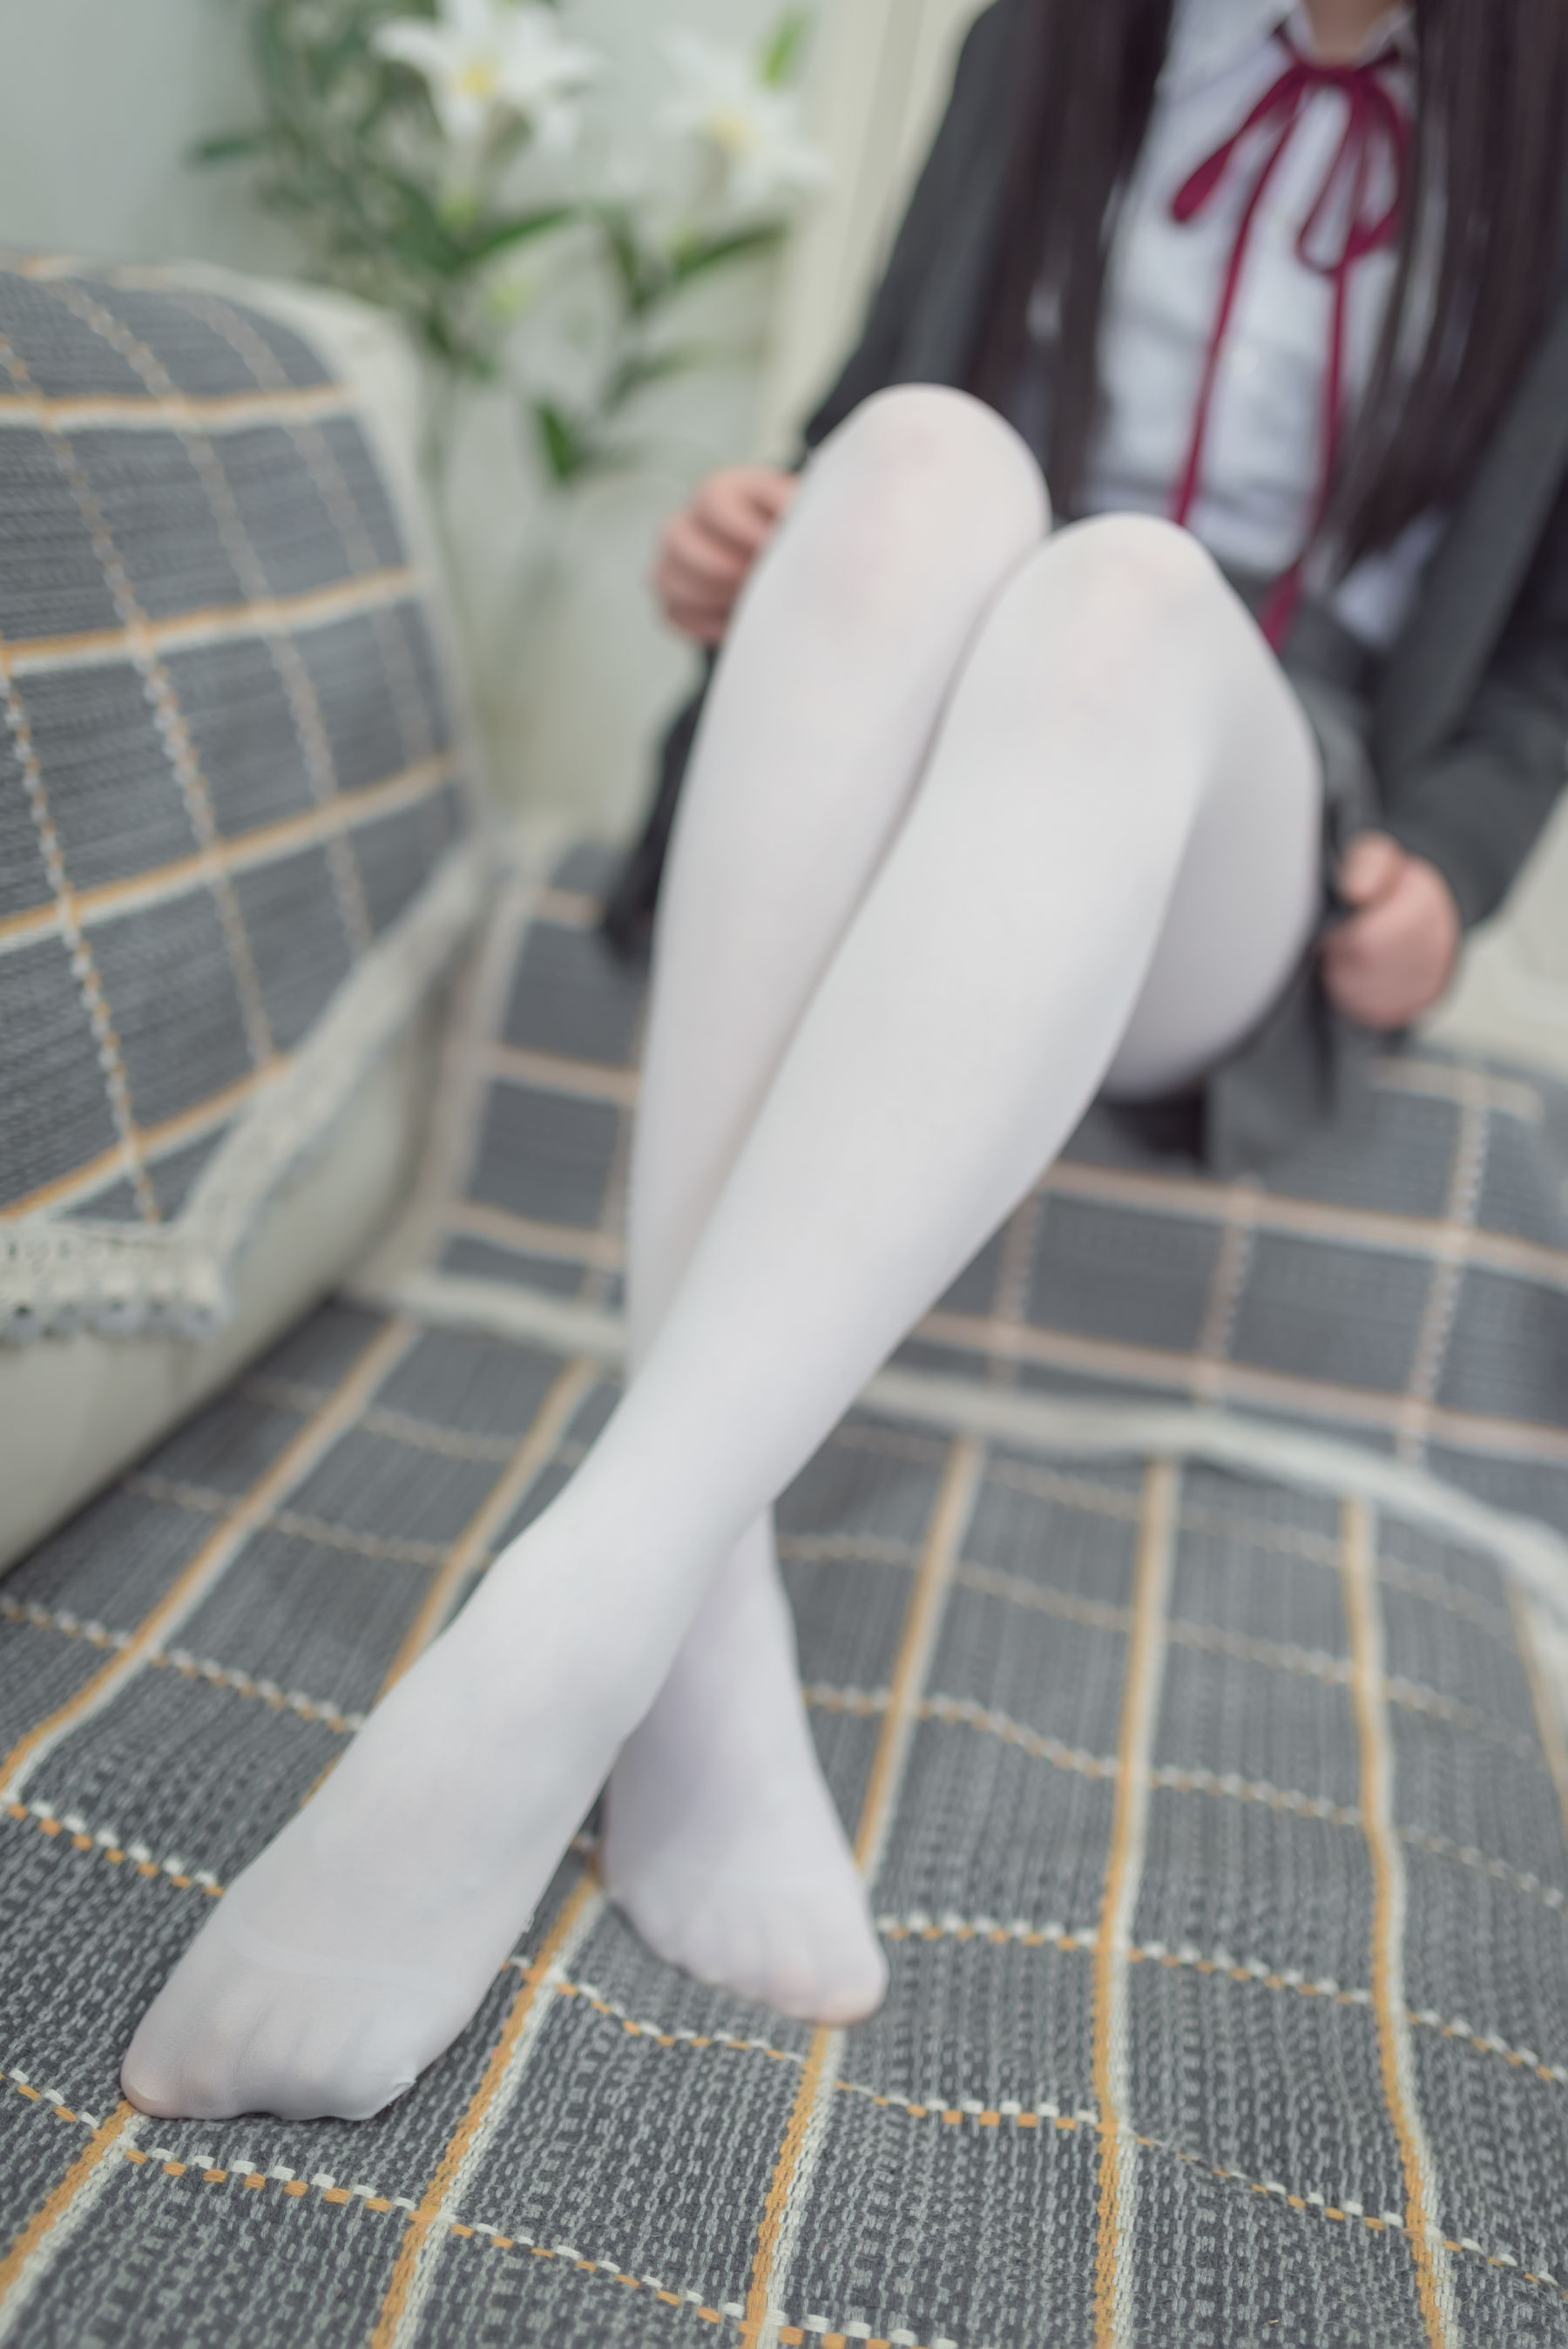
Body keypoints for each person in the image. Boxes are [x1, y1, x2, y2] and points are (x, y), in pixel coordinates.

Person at [123, 0, 1568, 2122]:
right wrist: (766, 535)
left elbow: (1544, 652)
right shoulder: (1061, 32)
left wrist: (1457, 851)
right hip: (944, 713)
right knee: (909, 459)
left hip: (1236, 779)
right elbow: (886, 377)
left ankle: (559, 1617)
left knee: (1124, 591)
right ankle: (683, 1618)